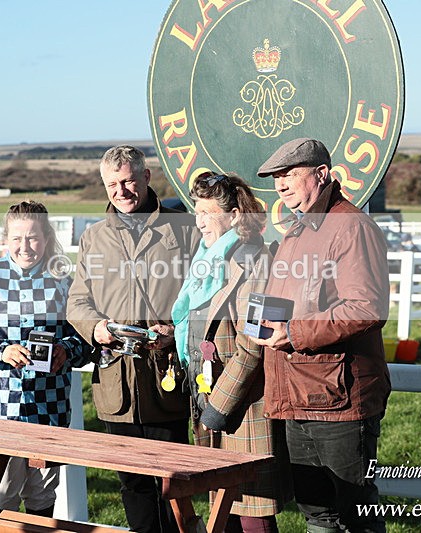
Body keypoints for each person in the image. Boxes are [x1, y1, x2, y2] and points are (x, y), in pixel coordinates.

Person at [254, 138, 391, 533]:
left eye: (289, 174)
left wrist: (293, 332)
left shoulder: (350, 227)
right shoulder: (296, 231)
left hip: (339, 399)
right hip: (298, 394)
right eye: (276, 178)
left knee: (355, 514)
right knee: (317, 513)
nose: (280, 184)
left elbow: (366, 308)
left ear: (322, 174)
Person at [67, 145, 200, 533]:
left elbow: (205, 296)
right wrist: (96, 328)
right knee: (133, 484)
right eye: (112, 185)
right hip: (116, 383)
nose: (121, 191)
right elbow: (77, 300)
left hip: (166, 378)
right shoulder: (94, 238)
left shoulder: (185, 229)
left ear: (146, 177)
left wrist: (175, 331)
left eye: (127, 181)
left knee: (174, 482)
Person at [172, 172, 292, 532]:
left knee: (251, 514)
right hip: (211, 398)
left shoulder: (255, 262)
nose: (199, 221)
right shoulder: (207, 260)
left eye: (208, 213)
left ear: (235, 215)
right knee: (224, 513)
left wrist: (217, 408)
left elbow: (252, 346)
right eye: (197, 212)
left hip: (243, 407)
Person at [0, 200, 91, 517]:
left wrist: (66, 351)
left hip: (49, 407)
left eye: (32, 237)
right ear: (6, 239)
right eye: (17, 238)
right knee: (1, 493)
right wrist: (1, 352)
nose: (25, 246)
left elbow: (86, 339)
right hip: (2, 408)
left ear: (46, 237)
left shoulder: (64, 284)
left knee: (42, 495)